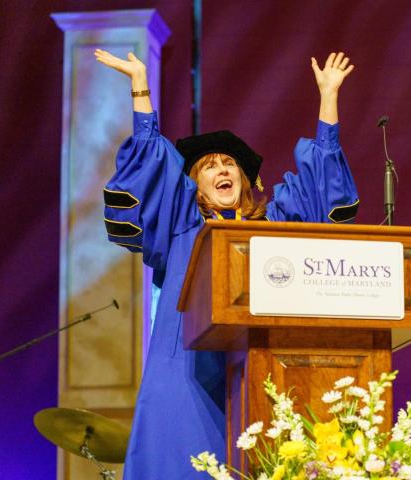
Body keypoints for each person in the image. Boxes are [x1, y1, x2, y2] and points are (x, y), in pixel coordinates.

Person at [95, 48, 358, 479]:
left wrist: (328, 99)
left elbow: (319, 192)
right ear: (194, 183)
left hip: (261, 369)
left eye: (230, 163)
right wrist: (140, 88)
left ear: (245, 179)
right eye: (210, 166)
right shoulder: (182, 224)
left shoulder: (273, 224)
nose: (223, 169)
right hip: (187, 371)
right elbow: (154, 168)